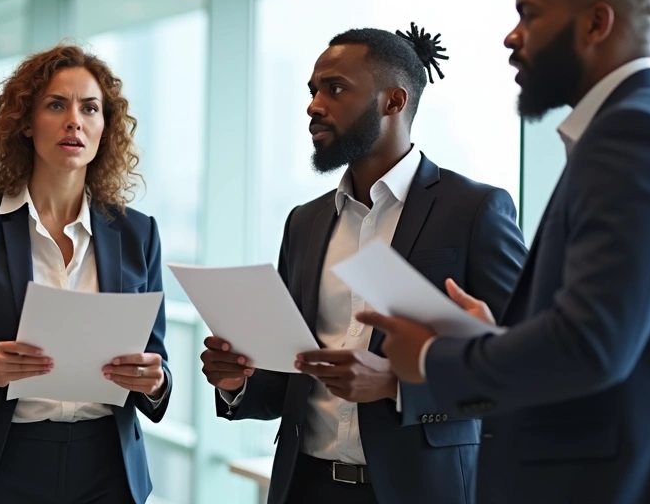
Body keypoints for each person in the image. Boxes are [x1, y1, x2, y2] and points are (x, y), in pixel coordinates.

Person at [359, 0, 650, 504]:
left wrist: (433, 358)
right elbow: (609, 330)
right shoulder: (644, 128)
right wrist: (493, 339)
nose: (512, 37)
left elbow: (592, 345)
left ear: (596, 23)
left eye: (528, 14)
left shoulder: (635, 136)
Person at [200, 27, 527, 504]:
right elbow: (288, 378)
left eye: (334, 88)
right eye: (312, 90)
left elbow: (518, 372)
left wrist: (396, 387)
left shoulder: (475, 211)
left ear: (393, 101)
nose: (314, 105)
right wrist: (238, 382)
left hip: (421, 490)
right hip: (304, 488)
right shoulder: (305, 222)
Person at [0, 45, 172, 504]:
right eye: (57, 105)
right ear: (26, 122)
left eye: (89, 108)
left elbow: (155, 359)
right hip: (1, 465)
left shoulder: (139, 233)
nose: (74, 120)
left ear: (103, 129)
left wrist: (155, 382)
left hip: (107, 469)